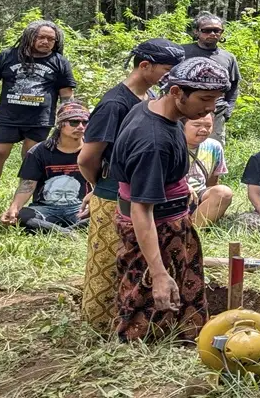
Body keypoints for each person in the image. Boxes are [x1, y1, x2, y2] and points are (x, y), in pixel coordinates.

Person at [109, 57, 230, 341]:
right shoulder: (152, 141)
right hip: (154, 230)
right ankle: (140, 362)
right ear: (176, 92)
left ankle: (186, 341)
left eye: (216, 99)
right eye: (204, 98)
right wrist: (158, 272)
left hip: (173, 223)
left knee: (182, 298)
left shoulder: (156, 111)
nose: (210, 108)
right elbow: (141, 209)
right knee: (148, 300)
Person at [77, 38, 185, 331]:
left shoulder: (148, 95)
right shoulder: (115, 103)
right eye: (168, 69)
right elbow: (87, 157)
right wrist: (99, 187)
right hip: (115, 193)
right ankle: (98, 327)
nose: (172, 75)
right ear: (145, 66)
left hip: (140, 191)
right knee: (108, 268)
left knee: (131, 266)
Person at [0, 20, 76, 211]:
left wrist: (68, 118)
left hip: (39, 120)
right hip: (8, 118)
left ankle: (23, 204)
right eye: (41, 37)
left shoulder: (59, 62)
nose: (46, 42)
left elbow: (66, 94)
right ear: (29, 36)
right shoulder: (7, 56)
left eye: (51, 39)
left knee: (31, 160)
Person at [0, 102, 91, 234]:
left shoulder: (93, 150)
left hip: (80, 207)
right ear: (60, 124)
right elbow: (27, 184)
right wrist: (14, 207)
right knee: (22, 215)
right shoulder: (39, 152)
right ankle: (67, 232)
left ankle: (55, 230)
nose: (81, 127)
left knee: (105, 215)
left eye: (85, 122)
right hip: (44, 208)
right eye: (74, 122)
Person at [182, 12, 241, 144]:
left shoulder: (228, 58)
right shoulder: (183, 52)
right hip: (186, 110)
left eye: (217, 30)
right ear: (196, 32)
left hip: (216, 111)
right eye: (207, 30)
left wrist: (228, 112)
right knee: (182, 147)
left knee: (212, 149)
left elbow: (234, 86)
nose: (213, 34)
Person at [185, 113, 233, 227]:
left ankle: (193, 230)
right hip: (173, 196)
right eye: (196, 125)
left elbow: (213, 181)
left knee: (224, 192)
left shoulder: (214, 147)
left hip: (199, 196)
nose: (203, 130)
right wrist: (183, 186)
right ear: (182, 125)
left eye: (208, 126)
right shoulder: (170, 144)